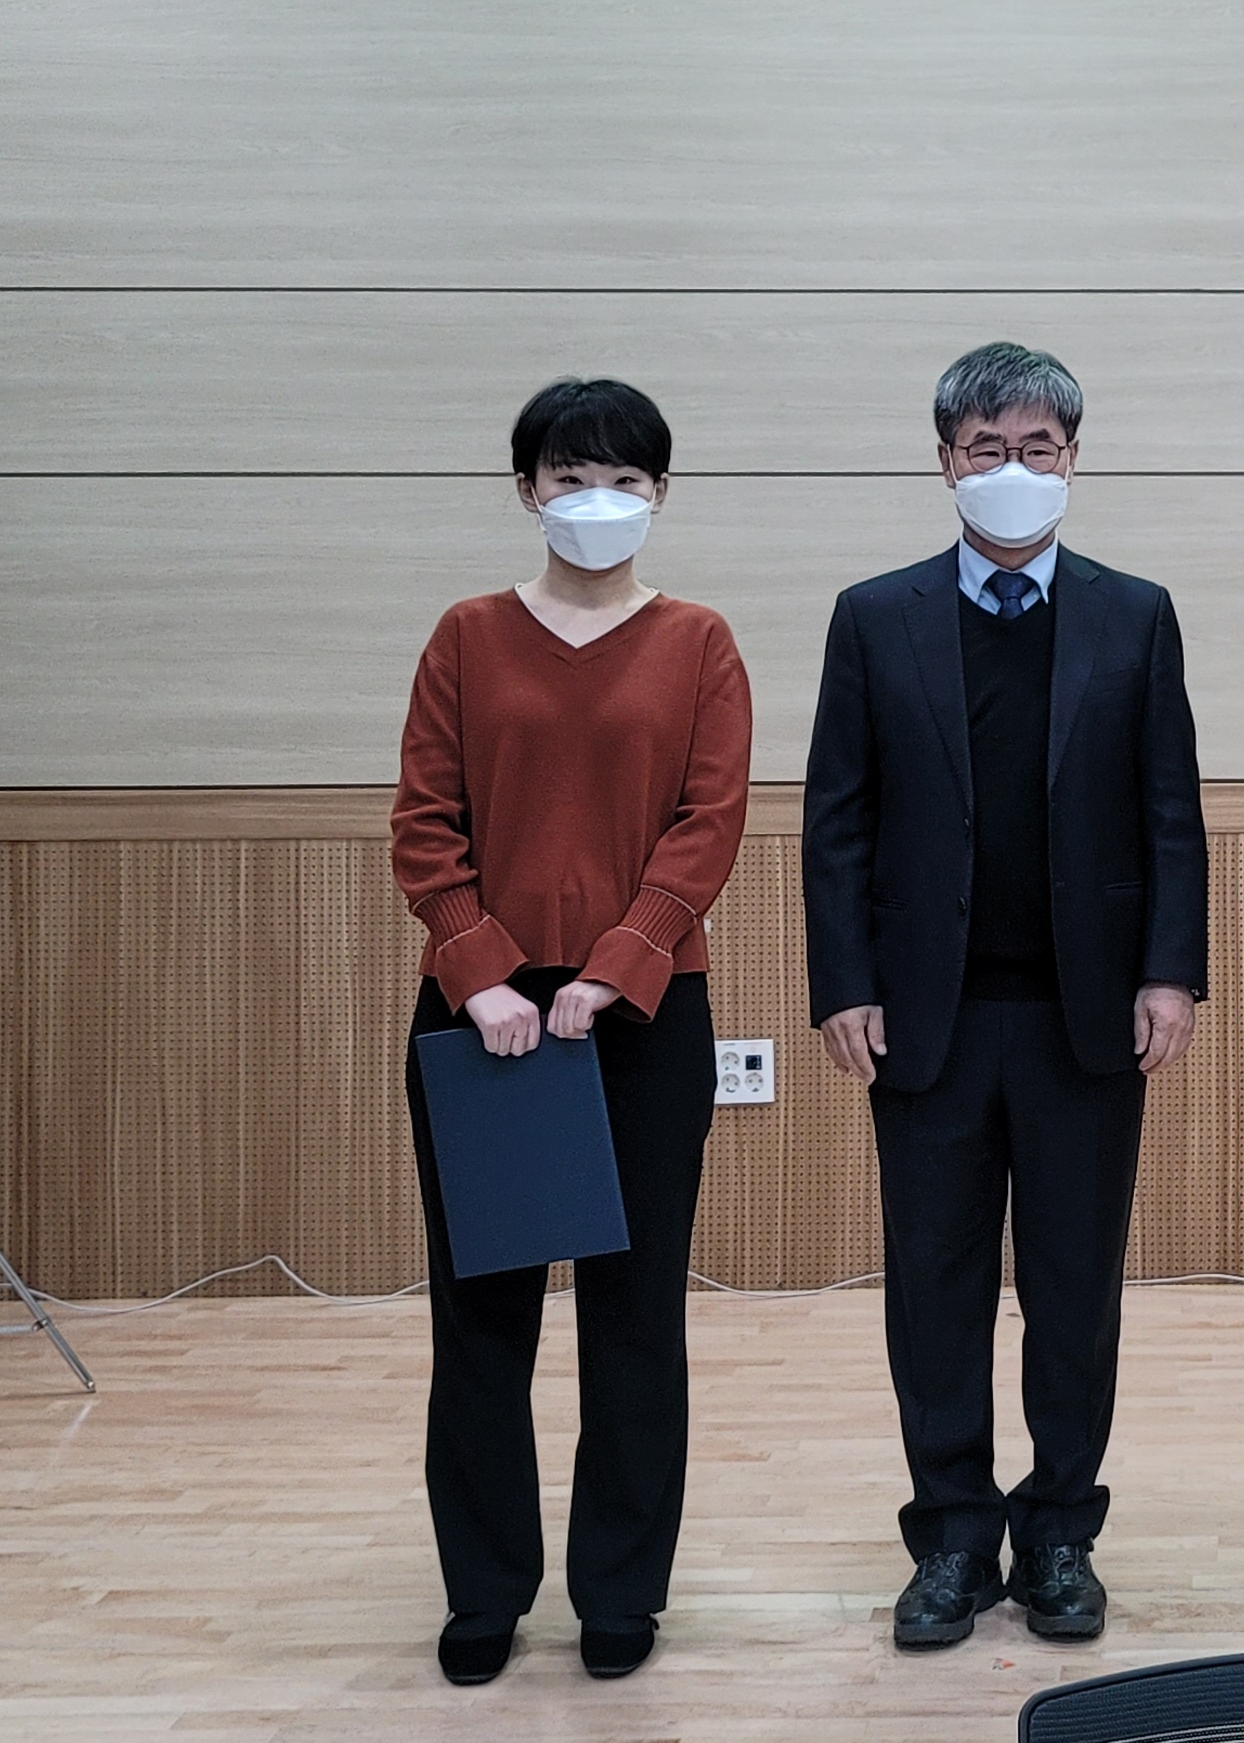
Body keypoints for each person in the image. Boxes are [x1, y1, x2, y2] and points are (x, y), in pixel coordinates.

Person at [804, 342, 1207, 1653]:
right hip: (926, 1018)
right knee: (936, 1286)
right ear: (945, 462)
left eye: (1038, 447)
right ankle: (952, 1538)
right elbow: (837, 819)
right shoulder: (875, 616)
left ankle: (1060, 1534)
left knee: (1074, 1288)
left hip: (1085, 1017)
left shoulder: (1135, 614)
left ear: (1073, 460)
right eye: (988, 448)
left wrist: (1170, 969)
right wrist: (843, 982)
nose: (1014, 469)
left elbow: (1170, 812)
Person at [389, 377, 752, 1688]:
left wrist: (613, 971)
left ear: (660, 494)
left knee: (634, 1318)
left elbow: (707, 824)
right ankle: (485, 1590)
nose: (599, 500)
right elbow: (424, 823)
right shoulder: (466, 636)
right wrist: (481, 973)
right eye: (571, 476)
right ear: (527, 489)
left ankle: (618, 1590)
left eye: (627, 480)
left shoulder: (699, 642)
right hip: (483, 1018)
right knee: (483, 1321)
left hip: (641, 1014)